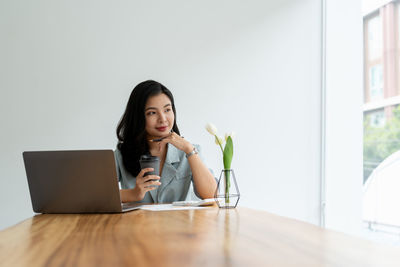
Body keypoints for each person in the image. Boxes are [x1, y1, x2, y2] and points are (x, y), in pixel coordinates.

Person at [115, 80, 216, 203]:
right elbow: (99, 196)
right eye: (152, 113)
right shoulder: (122, 153)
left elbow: (212, 195)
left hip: (179, 222)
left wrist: (189, 150)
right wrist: (133, 194)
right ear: (138, 117)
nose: (163, 119)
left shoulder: (190, 151)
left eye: (167, 110)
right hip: (138, 222)